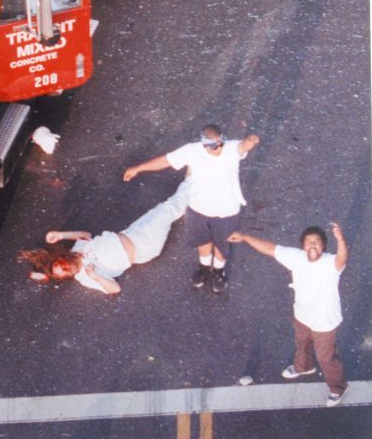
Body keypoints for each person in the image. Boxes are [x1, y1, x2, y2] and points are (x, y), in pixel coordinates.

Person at [123, 124, 260, 293]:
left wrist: (251, 141)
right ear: (203, 144)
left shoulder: (231, 148)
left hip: (227, 212)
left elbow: (243, 146)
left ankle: (218, 271)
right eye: (212, 145)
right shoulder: (191, 151)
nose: (218, 148)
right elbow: (165, 161)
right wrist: (137, 169)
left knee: (222, 244)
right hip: (198, 209)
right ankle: (204, 267)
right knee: (202, 241)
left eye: (220, 143)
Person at [228, 223, 348, 407]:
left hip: (325, 322)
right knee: (302, 344)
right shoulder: (296, 257)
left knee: (326, 357)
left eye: (317, 242)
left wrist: (340, 239)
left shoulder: (330, 263)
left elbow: (342, 259)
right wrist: (245, 237)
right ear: (303, 246)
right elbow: (269, 248)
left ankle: (338, 388)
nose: (313, 246)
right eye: (309, 242)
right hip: (302, 316)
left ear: (324, 246)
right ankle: (304, 367)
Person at [18, 179, 191, 294]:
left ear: (62, 258)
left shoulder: (77, 250)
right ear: (66, 277)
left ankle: (193, 178)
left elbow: (85, 235)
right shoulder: (85, 278)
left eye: (61, 264)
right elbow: (114, 289)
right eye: (64, 272)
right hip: (143, 247)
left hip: (132, 231)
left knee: (168, 208)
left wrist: (61, 235)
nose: (66, 268)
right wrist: (95, 276)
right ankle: (198, 180)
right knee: (169, 209)